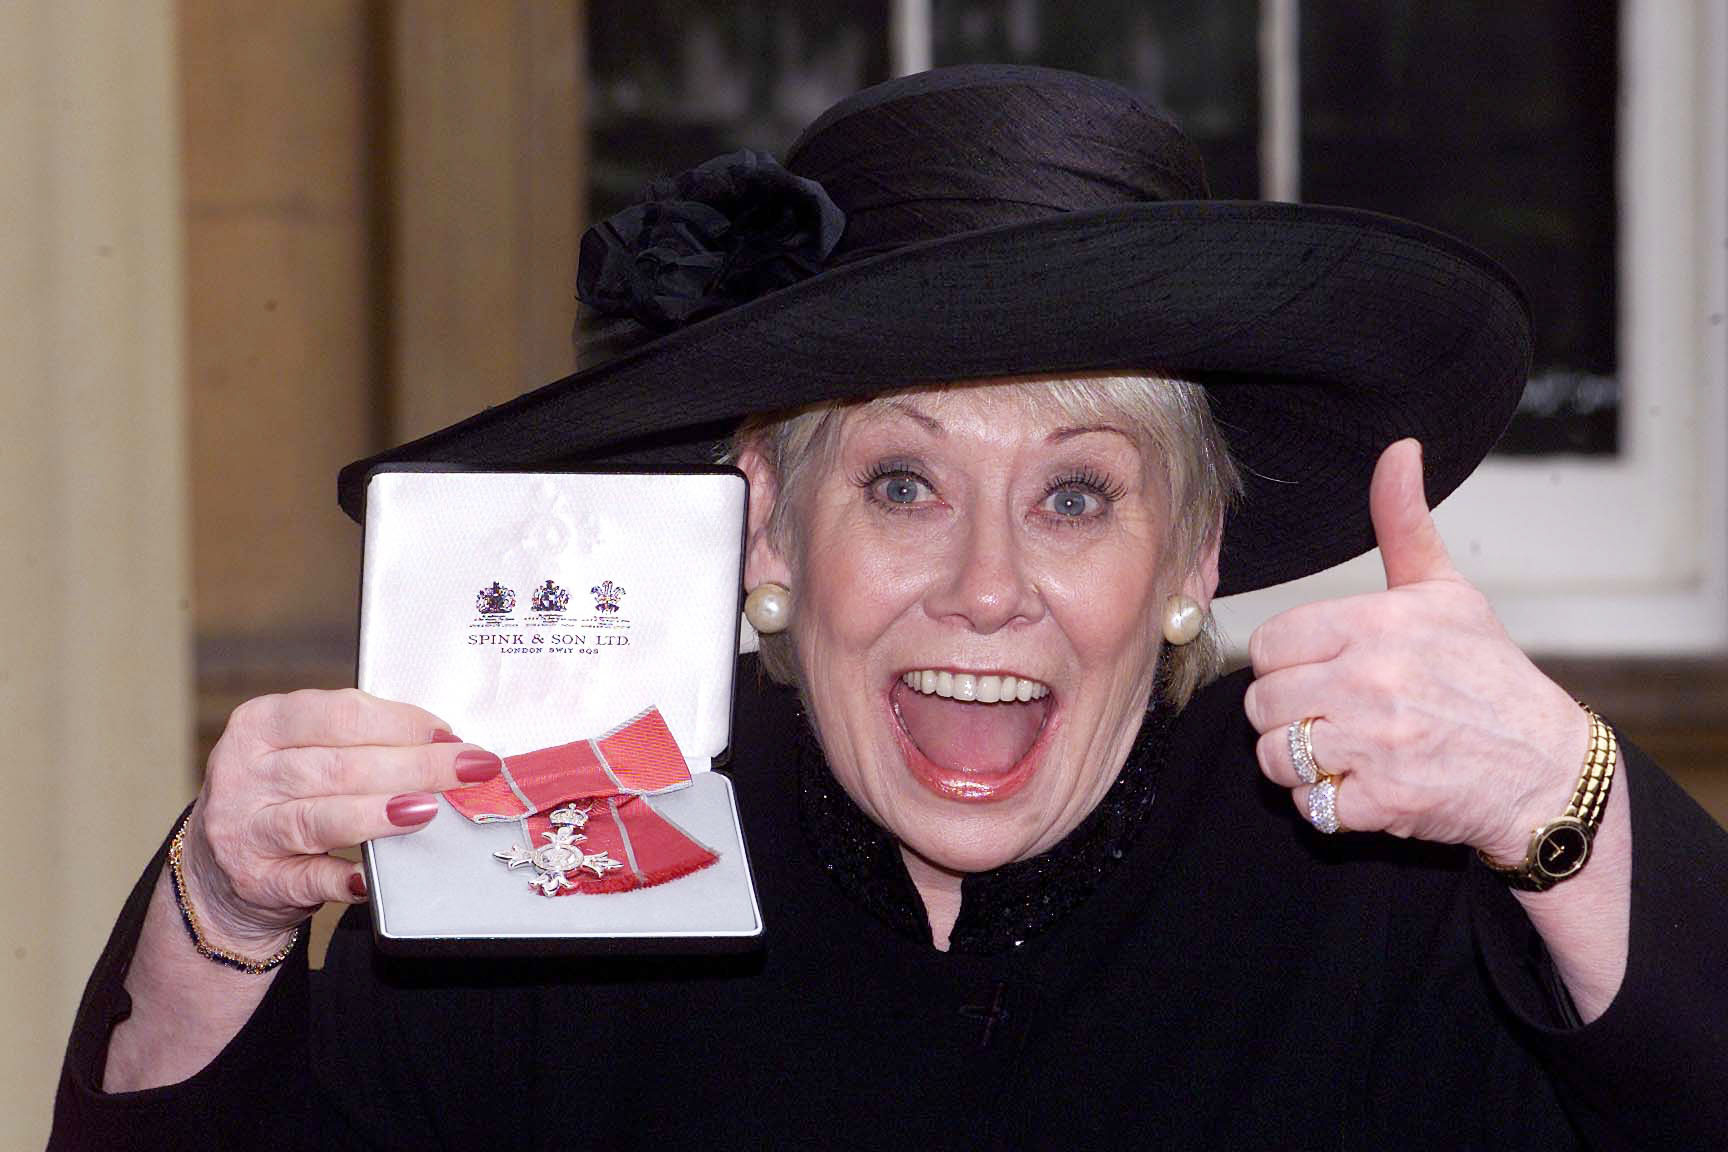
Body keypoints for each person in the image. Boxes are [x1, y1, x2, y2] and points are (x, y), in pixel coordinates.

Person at [52, 65, 1727, 1149]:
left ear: (1193, 561)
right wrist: (227, 906)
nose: (988, 589)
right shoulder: (561, 865)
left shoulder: (1377, 898)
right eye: (903, 486)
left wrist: (1563, 802)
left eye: (1078, 495)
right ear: (768, 527)